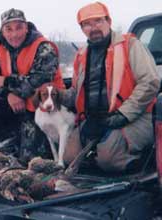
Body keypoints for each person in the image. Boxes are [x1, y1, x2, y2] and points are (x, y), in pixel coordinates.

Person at [61, 2, 160, 173]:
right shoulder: (81, 55)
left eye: (98, 21)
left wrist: (123, 115)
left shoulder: (130, 45)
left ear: (109, 21)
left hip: (134, 117)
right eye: (87, 24)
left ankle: (146, 168)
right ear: (82, 28)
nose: (94, 28)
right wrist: (55, 94)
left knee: (108, 159)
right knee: (69, 157)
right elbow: (77, 94)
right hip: (94, 120)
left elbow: (150, 82)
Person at [0, 8, 65, 161]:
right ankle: (4, 143)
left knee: (29, 161)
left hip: (43, 109)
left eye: (19, 27)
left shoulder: (44, 48)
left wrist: (5, 81)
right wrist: (8, 94)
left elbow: (37, 83)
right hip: (15, 105)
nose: (14, 34)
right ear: (2, 31)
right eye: (8, 29)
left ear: (26, 27)